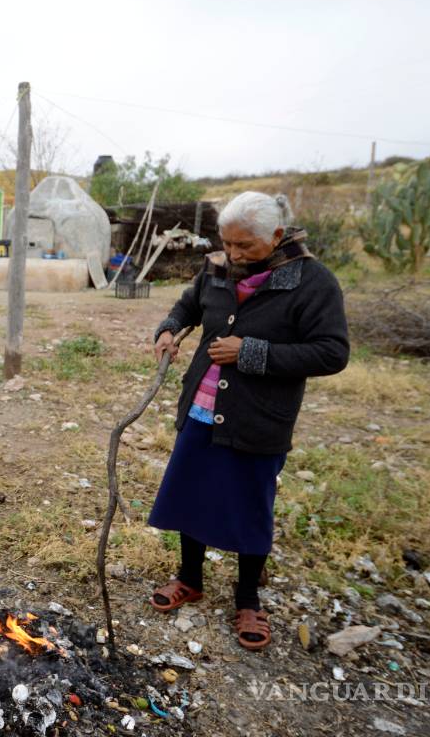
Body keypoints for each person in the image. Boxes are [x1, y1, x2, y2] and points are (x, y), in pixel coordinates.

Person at [145, 191, 349, 651]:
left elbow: (332, 352)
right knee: (191, 494)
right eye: (227, 243)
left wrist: (251, 352)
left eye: (245, 247)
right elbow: (188, 307)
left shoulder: (312, 282)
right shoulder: (217, 268)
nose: (233, 255)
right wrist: (167, 329)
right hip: (201, 407)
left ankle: (248, 599)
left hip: (258, 419)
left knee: (251, 507)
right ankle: (190, 579)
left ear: (276, 237)